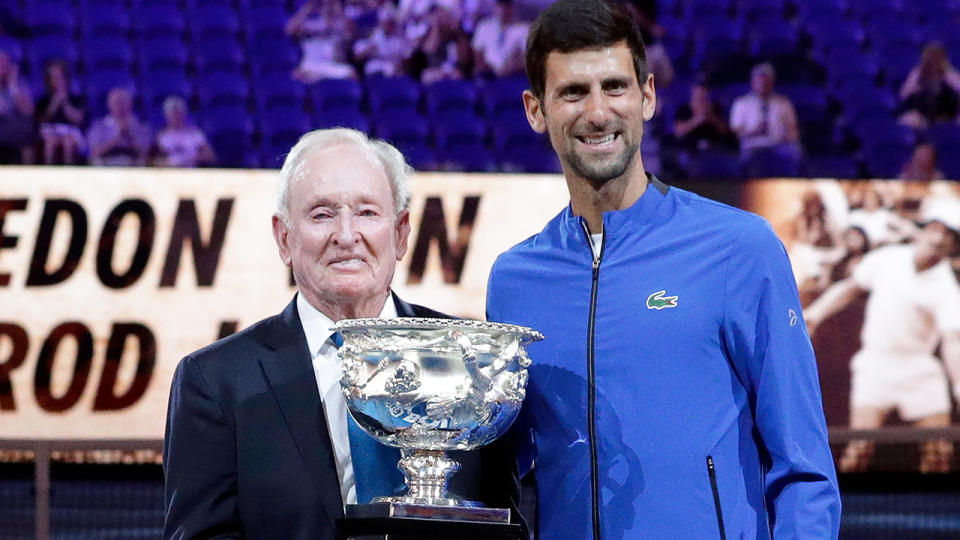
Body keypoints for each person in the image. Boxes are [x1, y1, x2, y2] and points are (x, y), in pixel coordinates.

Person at [484, 1, 841, 538]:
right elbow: (502, 475)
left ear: (647, 96)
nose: (598, 112)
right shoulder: (514, 281)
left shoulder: (739, 249)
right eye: (573, 92)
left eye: (615, 86)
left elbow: (805, 470)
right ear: (536, 110)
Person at [163, 128, 523, 540]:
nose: (347, 235)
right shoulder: (214, 381)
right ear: (284, 238)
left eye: (367, 213)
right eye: (321, 214)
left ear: (402, 232)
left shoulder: (469, 359)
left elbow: (507, 527)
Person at [805, 205, 960, 474]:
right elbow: (851, 287)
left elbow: (952, 340)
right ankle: (844, 513)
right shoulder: (887, 259)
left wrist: (959, 384)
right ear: (923, 232)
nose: (937, 239)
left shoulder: (947, 288)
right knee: (859, 449)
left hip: (919, 368)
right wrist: (816, 313)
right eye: (935, 230)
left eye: (948, 236)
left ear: (953, 246)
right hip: (876, 364)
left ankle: (932, 514)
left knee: (939, 454)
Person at [729, 62, 802, 176]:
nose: (763, 84)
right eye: (760, 80)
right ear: (752, 82)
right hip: (752, 147)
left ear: (772, 82)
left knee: (794, 152)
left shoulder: (783, 103)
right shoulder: (741, 103)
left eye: (767, 80)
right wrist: (754, 131)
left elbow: (792, 130)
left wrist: (790, 140)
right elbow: (734, 132)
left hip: (778, 146)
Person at [286, 0, 357, 82]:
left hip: (331, 65)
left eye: (331, 5)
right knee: (296, 76)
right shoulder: (312, 24)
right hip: (311, 66)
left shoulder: (340, 25)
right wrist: (308, 7)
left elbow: (351, 32)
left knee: (352, 73)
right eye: (326, 5)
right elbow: (289, 30)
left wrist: (337, 7)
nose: (329, 8)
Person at [897, 42, 960, 130]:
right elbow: (903, 95)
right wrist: (918, 86)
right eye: (930, 57)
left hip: (948, 116)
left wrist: (945, 76)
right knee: (906, 120)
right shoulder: (917, 73)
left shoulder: (950, 73)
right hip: (923, 116)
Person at [36, 59, 85, 165]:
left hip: (70, 132)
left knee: (68, 142)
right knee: (51, 142)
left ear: (66, 79)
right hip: (50, 131)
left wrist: (65, 103)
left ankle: (69, 171)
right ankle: (48, 170)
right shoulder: (44, 100)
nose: (58, 81)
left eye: (60, 77)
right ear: (49, 81)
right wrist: (55, 103)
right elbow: (42, 120)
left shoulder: (76, 99)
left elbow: (78, 120)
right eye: (54, 78)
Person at [87, 87, 152, 167]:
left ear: (130, 104)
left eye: (123, 102)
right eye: (116, 103)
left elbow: (146, 154)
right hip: (106, 165)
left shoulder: (142, 126)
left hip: (132, 165)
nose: (120, 106)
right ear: (109, 105)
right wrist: (117, 138)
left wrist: (129, 136)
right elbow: (94, 153)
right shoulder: (99, 126)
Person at [472, 0, 528, 79]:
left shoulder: (523, 29)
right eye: (500, 6)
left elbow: (526, 58)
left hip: (513, 74)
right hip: (488, 74)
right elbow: (477, 53)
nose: (503, 10)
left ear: (512, 8)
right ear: (495, 7)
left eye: (507, 7)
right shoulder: (484, 26)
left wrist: (512, 67)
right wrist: (486, 68)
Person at [154, 96, 215, 168]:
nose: (176, 116)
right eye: (172, 113)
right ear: (167, 115)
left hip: (191, 174)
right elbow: (154, 162)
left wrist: (192, 158)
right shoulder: (162, 136)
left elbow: (210, 156)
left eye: (178, 113)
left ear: (184, 114)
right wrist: (171, 162)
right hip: (170, 175)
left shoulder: (195, 133)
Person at [0, 48, 34, 164]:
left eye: (5, 63)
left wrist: (13, 87)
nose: (2, 67)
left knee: (27, 128)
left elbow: (28, 111)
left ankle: (28, 174)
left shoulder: (19, 84)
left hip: (14, 129)